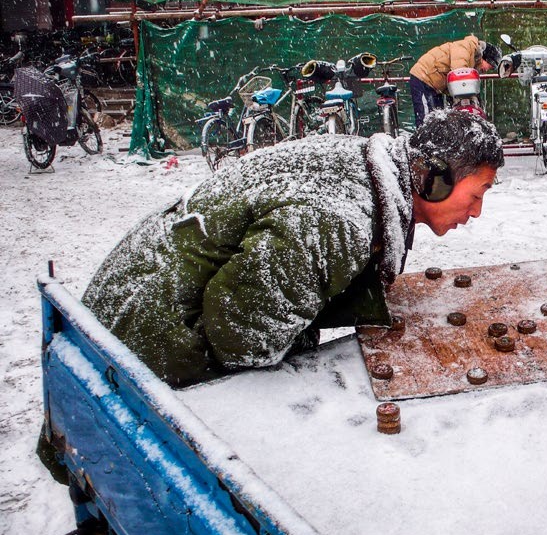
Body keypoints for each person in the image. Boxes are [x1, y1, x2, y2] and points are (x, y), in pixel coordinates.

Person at [81, 110, 504, 388]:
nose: (478, 211)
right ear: (432, 180)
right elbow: (240, 337)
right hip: (134, 353)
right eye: (478, 192)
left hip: (123, 320)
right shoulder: (338, 223)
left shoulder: (361, 171)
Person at [409, 34, 502, 127]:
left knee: (437, 119)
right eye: (491, 65)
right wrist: (469, 101)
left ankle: (434, 140)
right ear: (484, 57)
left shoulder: (473, 60)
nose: (488, 69)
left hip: (435, 86)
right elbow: (460, 74)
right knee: (427, 120)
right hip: (423, 78)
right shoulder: (465, 47)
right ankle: (423, 140)